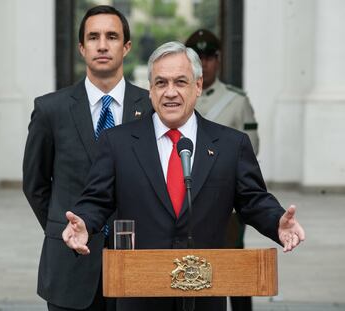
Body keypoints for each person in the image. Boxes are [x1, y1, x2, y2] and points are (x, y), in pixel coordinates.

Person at [61, 41, 305, 311]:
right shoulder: (117, 143)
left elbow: (253, 200)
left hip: (205, 295)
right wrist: (83, 221)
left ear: (197, 86)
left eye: (180, 82)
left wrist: (276, 222)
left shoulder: (230, 144)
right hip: (140, 295)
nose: (171, 92)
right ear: (150, 90)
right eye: (161, 83)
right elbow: (97, 199)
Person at [22, 5, 152, 311]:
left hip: (135, 262)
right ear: (82, 48)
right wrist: (63, 227)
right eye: (93, 37)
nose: (103, 45)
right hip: (69, 264)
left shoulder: (150, 108)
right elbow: (35, 184)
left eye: (112, 36)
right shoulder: (50, 110)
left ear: (127, 47)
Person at [185, 29, 257, 311]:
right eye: (197, 57)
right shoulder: (175, 97)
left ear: (219, 59)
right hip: (182, 199)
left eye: (209, 57)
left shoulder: (236, 101)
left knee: (233, 265)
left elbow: (251, 150)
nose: (204, 63)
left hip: (225, 202)